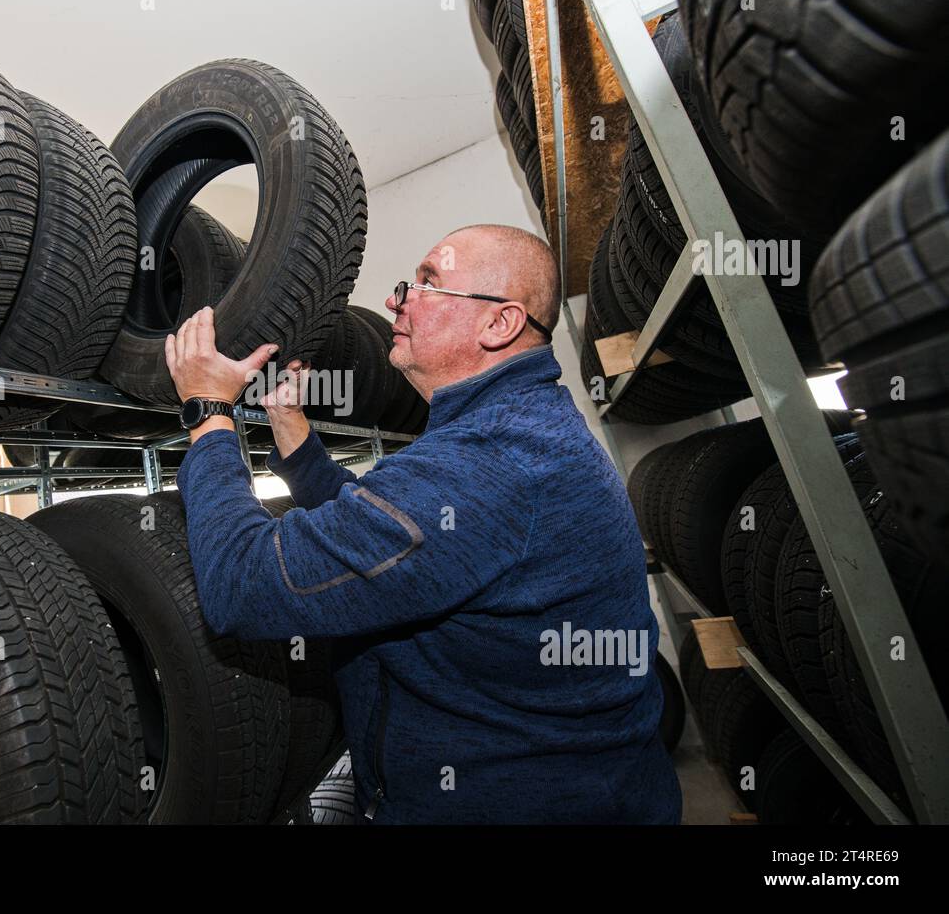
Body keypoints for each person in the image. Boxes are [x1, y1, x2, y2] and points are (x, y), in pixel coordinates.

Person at [164, 224, 681, 824]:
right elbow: (388, 536)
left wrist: (208, 412)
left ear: (499, 324)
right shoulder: (516, 428)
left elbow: (244, 586)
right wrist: (292, 431)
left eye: (430, 283)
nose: (397, 299)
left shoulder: (487, 466)